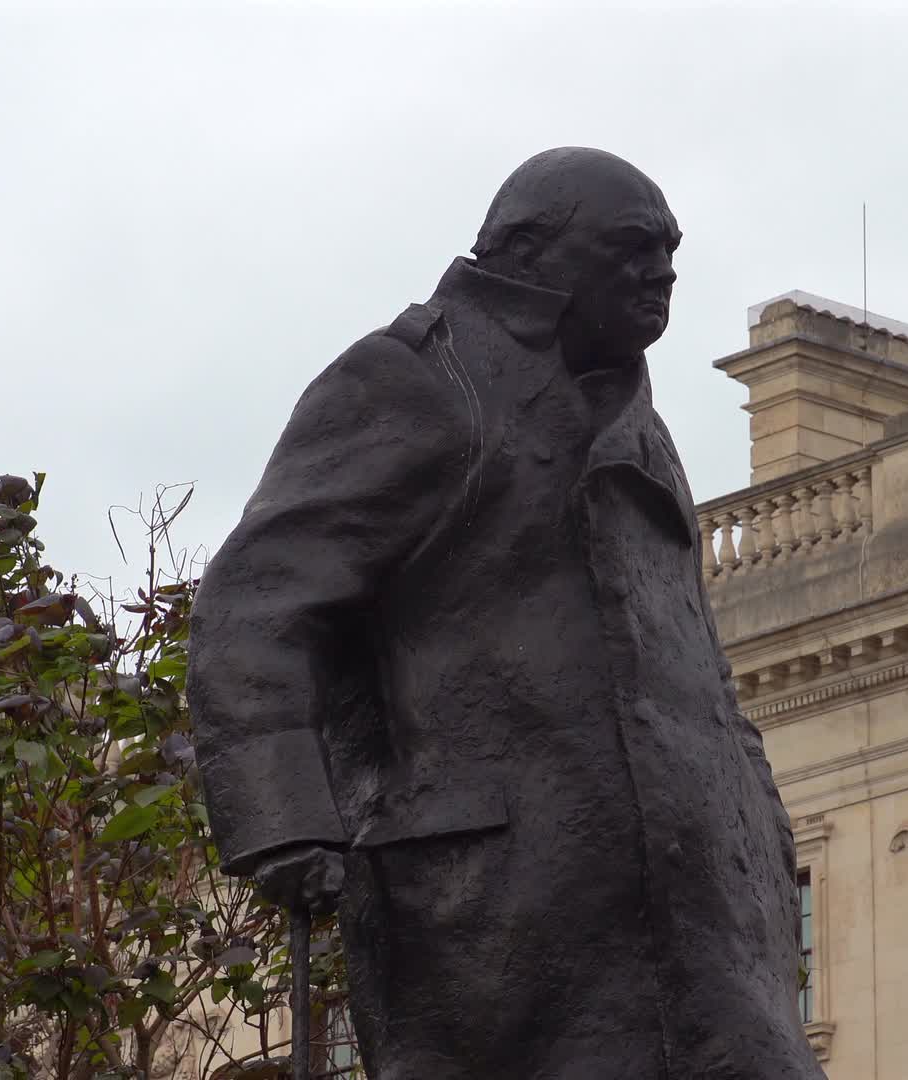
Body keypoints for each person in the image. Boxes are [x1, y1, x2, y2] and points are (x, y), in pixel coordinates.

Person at [189, 147, 822, 1079]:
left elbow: (697, 663)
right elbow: (257, 604)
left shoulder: (640, 421)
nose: (663, 274)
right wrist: (285, 819)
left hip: (702, 912)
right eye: (633, 249)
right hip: (497, 909)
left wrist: (759, 832)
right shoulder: (417, 379)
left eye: (671, 252)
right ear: (533, 253)